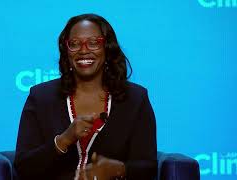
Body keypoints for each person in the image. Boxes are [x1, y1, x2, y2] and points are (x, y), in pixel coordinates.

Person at [14, 13, 157, 180]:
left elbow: (148, 167)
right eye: (74, 44)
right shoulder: (41, 97)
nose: (83, 50)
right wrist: (63, 140)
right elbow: (23, 167)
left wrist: (118, 169)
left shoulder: (135, 99)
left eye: (94, 43)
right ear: (66, 51)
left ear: (107, 48)